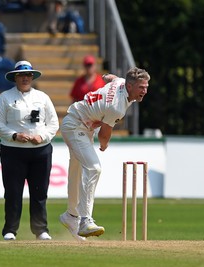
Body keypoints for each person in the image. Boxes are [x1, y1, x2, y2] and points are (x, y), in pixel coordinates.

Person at [59, 67, 150, 240]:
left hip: (82, 125)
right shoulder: (117, 107)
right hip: (75, 126)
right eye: (141, 87)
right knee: (94, 168)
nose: (144, 91)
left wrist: (108, 77)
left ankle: (71, 216)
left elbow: (115, 78)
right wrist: (104, 145)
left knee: (76, 171)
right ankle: (85, 220)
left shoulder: (122, 82)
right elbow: (104, 134)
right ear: (130, 87)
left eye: (146, 87)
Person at [0, 60, 59, 241]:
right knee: (13, 192)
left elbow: (53, 123)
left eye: (28, 75)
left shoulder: (43, 97)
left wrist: (42, 137)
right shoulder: (5, 97)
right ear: (15, 77)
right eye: (21, 75)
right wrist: (14, 135)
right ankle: (10, 230)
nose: (25, 78)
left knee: (39, 192)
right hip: (13, 151)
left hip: (40, 151)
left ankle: (41, 230)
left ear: (32, 77)